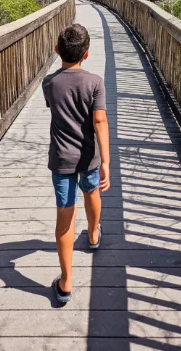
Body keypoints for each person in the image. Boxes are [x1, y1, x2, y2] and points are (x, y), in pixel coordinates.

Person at [42, 23, 110, 304]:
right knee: (91, 192)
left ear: (57, 51)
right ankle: (94, 234)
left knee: (64, 215)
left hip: (61, 159)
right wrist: (106, 160)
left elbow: (57, 108)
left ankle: (66, 281)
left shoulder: (50, 83)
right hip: (89, 157)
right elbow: (99, 121)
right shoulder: (95, 82)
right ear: (87, 54)